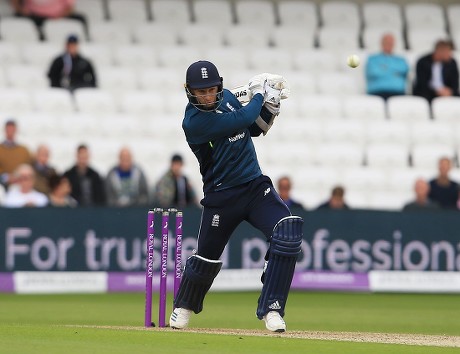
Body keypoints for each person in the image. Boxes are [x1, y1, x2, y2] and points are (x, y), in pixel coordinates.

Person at [169, 60, 303, 333]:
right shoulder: (193, 122)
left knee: (287, 232)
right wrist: (258, 94)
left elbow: (252, 128)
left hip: (254, 187)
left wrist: (271, 108)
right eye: (200, 91)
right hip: (222, 196)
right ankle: (184, 306)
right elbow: (240, 119)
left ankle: (273, 309)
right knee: (206, 258)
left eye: (211, 89)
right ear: (189, 91)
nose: (207, 96)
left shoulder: (227, 97)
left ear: (219, 85)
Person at [11, 0, 87, 40]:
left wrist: (59, 16)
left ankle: (87, 40)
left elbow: (70, 8)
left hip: (58, 16)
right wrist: (20, 9)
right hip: (34, 16)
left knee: (81, 19)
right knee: (15, 20)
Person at [365, 33, 409, 100]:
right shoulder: (373, 59)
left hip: (398, 92)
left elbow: (404, 70)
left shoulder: (400, 60)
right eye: (386, 42)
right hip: (377, 92)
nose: (388, 45)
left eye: (390, 43)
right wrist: (395, 72)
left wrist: (384, 68)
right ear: (381, 43)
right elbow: (374, 73)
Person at [0, 119, 32, 188]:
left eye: (12, 129)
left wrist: (19, 176)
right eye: (8, 129)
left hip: (21, 186)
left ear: (16, 130)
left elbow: (30, 165)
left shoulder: (24, 150)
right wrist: (6, 177)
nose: (10, 132)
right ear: (5, 130)